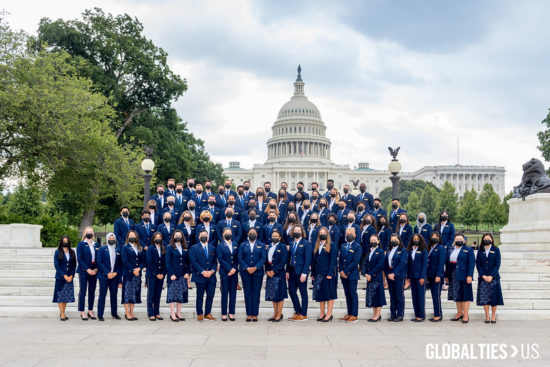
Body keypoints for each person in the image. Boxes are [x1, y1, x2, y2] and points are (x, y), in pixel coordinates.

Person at [446, 233, 475, 323]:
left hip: (464, 275)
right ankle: (459, 313)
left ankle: (465, 315)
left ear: (464, 240)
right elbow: (448, 264)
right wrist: (447, 275)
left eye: (460, 239)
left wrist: (470, 275)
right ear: (454, 240)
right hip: (453, 275)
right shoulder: (450, 249)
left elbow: (471, 263)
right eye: (457, 239)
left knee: (465, 295)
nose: (458, 240)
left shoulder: (468, 250)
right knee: (457, 295)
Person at [239, 228, 267, 322]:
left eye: (254, 233)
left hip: (257, 272)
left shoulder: (261, 245)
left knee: (256, 293)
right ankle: (249, 314)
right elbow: (240, 258)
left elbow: (263, 258)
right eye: (250, 233)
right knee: (247, 293)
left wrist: (255, 267)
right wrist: (247, 268)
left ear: (257, 234)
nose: (252, 234)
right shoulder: (242, 245)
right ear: (247, 234)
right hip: (245, 272)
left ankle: (255, 314)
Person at [190, 229, 218, 321]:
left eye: (205, 235)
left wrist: (212, 271)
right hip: (200, 276)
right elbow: (194, 261)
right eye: (202, 235)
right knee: (200, 296)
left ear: (208, 236)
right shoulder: (194, 248)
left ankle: (207, 313)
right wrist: (203, 272)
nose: (204, 236)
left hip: (211, 276)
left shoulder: (212, 248)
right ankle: (200, 313)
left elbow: (215, 262)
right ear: (199, 237)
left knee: (210, 295)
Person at [476, 233, 503, 323]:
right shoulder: (480, 251)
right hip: (483, 278)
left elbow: (497, 264)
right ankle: (487, 316)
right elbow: (478, 264)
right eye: (485, 238)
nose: (487, 240)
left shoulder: (496, 250)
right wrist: (483, 275)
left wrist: (491, 275)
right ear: (483, 240)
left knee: (494, 298)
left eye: (488, 238)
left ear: (491, 240)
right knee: (485, 299)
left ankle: (493, 317)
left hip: (493, 278)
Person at [311, 227, 337, 322]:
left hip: (327, 274)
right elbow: (314, 260)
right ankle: (322, 313)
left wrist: (330, 273)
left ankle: (329, 314)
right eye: (320, 233)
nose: (322, 234)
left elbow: (333, 260)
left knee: (329, 295)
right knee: (321, 295)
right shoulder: (317, 245)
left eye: (324, 232)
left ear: (327, 234)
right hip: (318, 274)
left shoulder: (331, 245)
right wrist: (313, 273)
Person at [287, 225, 312, 321]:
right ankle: (297, 311)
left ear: (302, 232)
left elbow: (308, 259)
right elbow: (289, 258)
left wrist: (305, 273)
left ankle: (304, 314)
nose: (297, 232)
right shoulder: (291, 243)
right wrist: (287, 271)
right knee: (291, 291)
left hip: (301, 272)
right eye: (295, 230)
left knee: (303, 293)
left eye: (299, 230)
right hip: (292, 271)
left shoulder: (306, 243)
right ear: (293, 232)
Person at [165, 230, 191, 322]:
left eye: (180, 235)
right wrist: (171, 274)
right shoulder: (170, 247)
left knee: (181, 295)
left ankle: (178, 313)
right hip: (174, 276)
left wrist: (188, 272)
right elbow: (167, 262)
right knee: (173, 295)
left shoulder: (185, 248)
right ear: (173, 236)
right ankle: (172, 314)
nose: (178, 236)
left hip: (183, 275)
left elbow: (188, 262)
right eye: (176, 235)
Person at [338, 228, 362, 323]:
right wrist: (341, 270)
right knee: (347, 294)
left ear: (355, 235)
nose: (349, 235)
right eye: (347, 233)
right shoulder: (343, 246)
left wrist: (346, 271)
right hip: (343, 274)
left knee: (353, 294)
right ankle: (349, 313)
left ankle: (354, 314)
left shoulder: (358, 246)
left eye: (351, 233)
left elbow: (356, 261)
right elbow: (340, 260)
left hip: (352, 274)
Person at [96, 233, 122, 321]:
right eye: (110, 238)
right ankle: (100, 314)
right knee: (102, 295)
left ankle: (114, 313)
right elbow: (99, 262)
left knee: (114, 295)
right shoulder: (102, 249)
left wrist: (115, 273)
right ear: (107, 239)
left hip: (114, 276)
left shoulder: (118, 249)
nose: (112, 239)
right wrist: (107, 273)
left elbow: (120, 264)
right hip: (104, 276)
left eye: (113, 238)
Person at [361, 234, 386, 322]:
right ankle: (374, 314)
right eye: (371, 240)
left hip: (377, 278)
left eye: (375, 240)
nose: (373, 242)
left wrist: (370, 274)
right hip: (369, 278)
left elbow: (379, 265)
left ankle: (377, 315)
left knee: (378, 297)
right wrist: (365, 274)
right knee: (372, 297)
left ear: (378, 241)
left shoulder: (381, 252)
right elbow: (364, 263)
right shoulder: (369, 251)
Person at [121, 230, 145, 321]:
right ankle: (127, 313)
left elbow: (143, 260)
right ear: (128, 237)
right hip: (128, 274)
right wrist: (132, 270)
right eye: (130, 235)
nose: (132, 237)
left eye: (133, 235)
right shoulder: (125, 247)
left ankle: (132, 312)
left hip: (137, 274)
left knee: (134, 294)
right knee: (127, 294)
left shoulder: (140, 248)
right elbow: (124, 261)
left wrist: (139, 268)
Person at [265, 230, 288, 322]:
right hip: (270, 273)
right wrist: (267, 270)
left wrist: (274, 271)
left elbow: (283, 261)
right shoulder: (269, 246)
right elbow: (266, 260)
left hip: (279, 273)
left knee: (280, 294)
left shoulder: (282, 247)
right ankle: (275, 313)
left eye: (276, 236)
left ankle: (279, 314)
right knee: (273, 295)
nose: (274, 237)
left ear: (279, 237)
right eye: (273, 236)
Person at [76, 227, 99, 320]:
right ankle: (82, 311)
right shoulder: (81, 244)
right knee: (83, 291)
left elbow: (99, 257)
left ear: (93, 233)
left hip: (94, 271)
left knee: (92, 291)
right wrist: (87, 269)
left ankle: (90, 310)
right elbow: (80, 258)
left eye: (91, 232)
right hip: (83, 271)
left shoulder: (96, 244)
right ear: (84, 234)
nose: (89, 233)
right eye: (87, 232)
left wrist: (96, 269)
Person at [217, 228, 239, 321]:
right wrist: (229, 269)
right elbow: (220, 259)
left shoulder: (235, 244)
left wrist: (234, 268)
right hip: (225, 272)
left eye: (229, 233)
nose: (228, 234)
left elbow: (238, 257)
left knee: (233, 293)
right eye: (226, 233)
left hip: (234, 272)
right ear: (223, 234)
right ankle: (223, 313)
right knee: (225, 293)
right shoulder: (220, 245)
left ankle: (231, 313)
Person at [53, 236, 76, 321]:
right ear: (61, 242)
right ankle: (62, 314)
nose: (65, 242)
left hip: (69, 278)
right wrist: (64, 275)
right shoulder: (57, 252)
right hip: (60, 278)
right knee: (60, 296)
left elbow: (74, 265)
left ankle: (63, 312)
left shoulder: (72, 252)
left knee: (65, 296)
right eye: (64, 241)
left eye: (67, 241)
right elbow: (57, 266)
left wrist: (71, 276)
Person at [385, 234, 407, 322]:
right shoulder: (389, 250)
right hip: (390, 276)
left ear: (399, 240)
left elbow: (402, 263)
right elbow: (386, 263)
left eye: (395, 239)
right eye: (392, 240)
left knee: (399, 295)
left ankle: (400, 314)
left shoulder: (403, 250)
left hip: (398, 275)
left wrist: (394, 273)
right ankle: (393, 314)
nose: (393, 241)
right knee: (392, 296)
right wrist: (388, 274)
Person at [406, 234, 428, 322]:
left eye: (417, 239)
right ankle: (417, 314)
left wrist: (422, 277)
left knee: (420, 296)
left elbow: (424, 264)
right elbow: (409, 264)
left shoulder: (423, 250)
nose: (415, 240)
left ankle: (421, 315)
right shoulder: (410, 250)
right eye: (414, 239)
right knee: (414, 296)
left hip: (420, 277)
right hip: (412, 276)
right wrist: (408, 277)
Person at [426, 231, 446, 322]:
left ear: (439, 238)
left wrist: (438, 275)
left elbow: (441, 263)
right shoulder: (429, 247)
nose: (434, 238)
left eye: (436, 237)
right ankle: (437, 313)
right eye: (432, 237)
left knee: (436, 296)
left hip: (437, 276)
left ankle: (438, 315)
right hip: (429, 275)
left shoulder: (441, 248)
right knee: (433, 296)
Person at [146, 232, 166, 321]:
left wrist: (162, 274)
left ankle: (157, 312)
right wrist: (157, 273)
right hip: (152, 275)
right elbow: (149, 263)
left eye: (159, 237)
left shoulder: (163, 248)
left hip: (161, 276)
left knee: (158, 295)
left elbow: (165, 262)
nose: (158, 239)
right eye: (156, 237)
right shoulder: (150, 248)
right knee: (151, 295)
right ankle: (151, 313)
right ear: (153, 239)